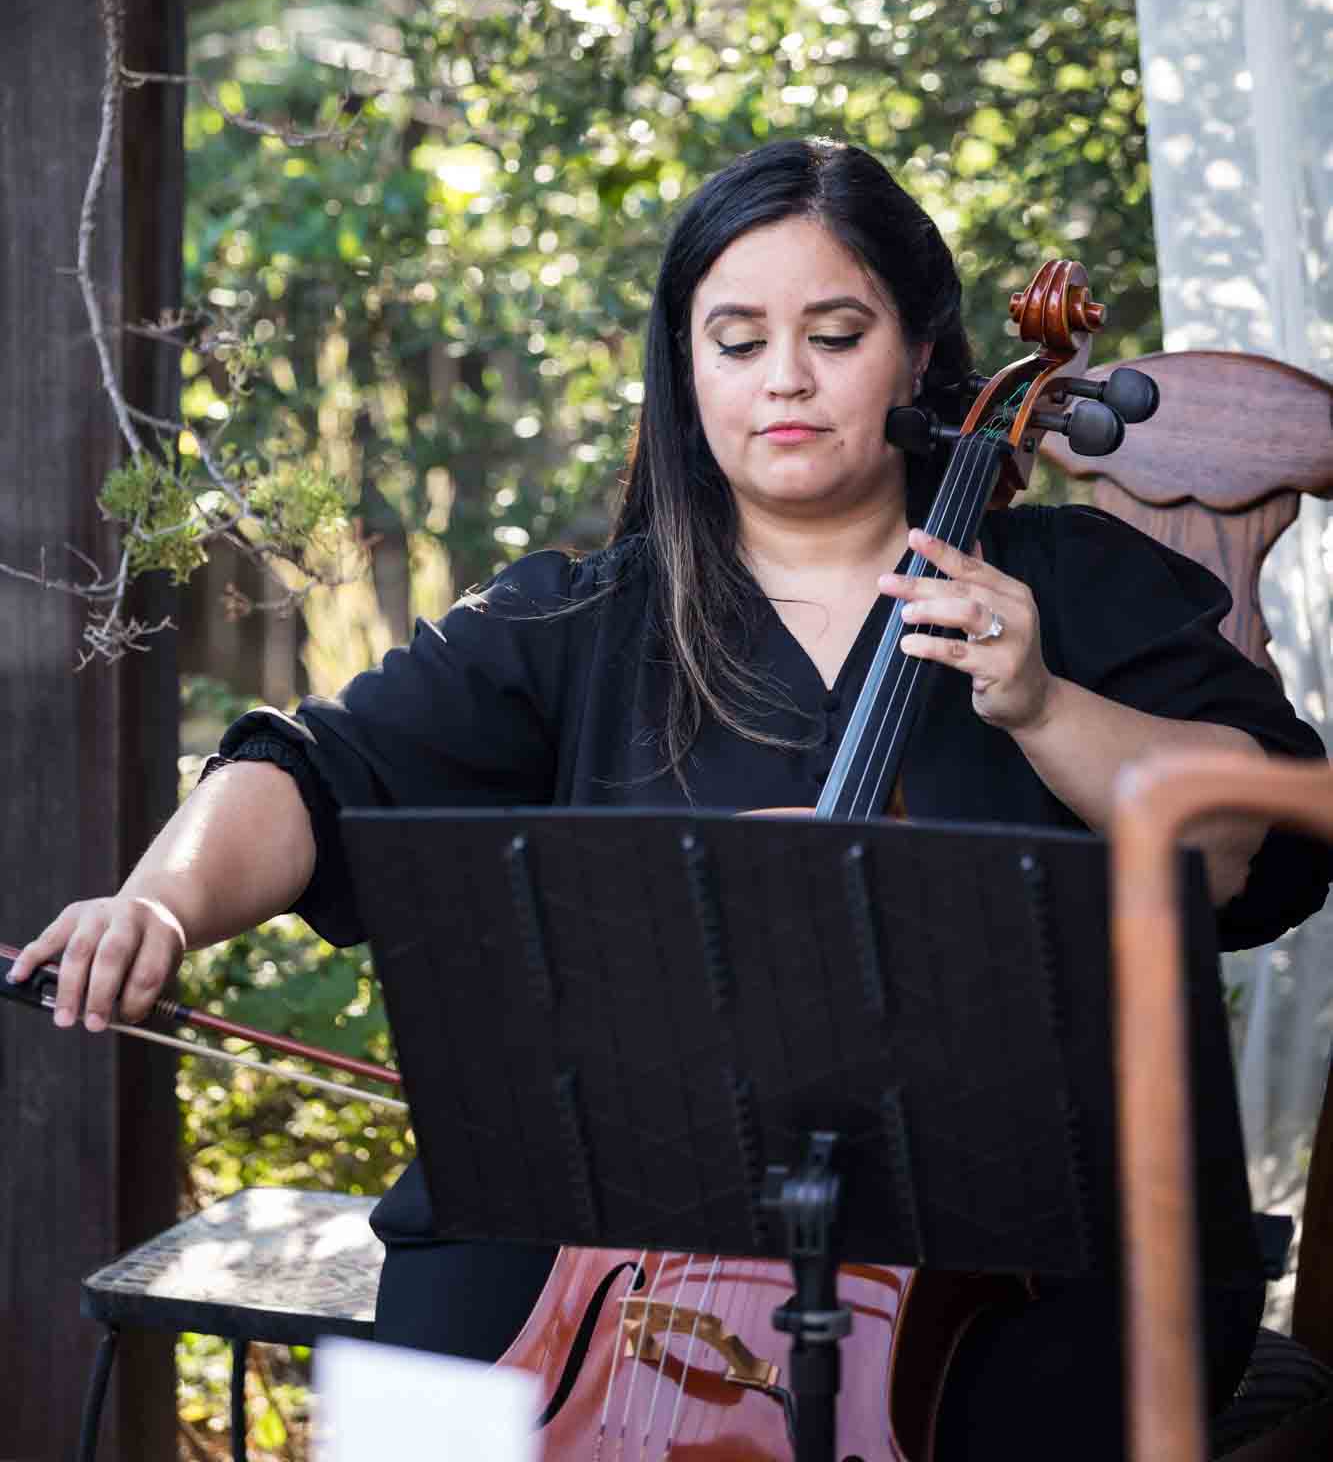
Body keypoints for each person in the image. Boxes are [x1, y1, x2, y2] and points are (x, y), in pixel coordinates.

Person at [10, 138, 1328, 1457]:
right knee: (440, 1395)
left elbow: (1241, 849)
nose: (786, 380)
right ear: (684, 366)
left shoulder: (1069, 587)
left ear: (924, 357)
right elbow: (303, 771)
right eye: (737, 339)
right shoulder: (584, 616)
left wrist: (1042, 704)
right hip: (622, 1215)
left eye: (835, 332)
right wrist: (160, 905)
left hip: (1032, 1235)